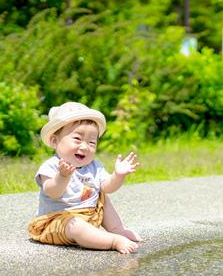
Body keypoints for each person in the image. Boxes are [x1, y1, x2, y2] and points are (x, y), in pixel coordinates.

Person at [28, 102, 141, 254]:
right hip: (58, 222)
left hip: (89, 217)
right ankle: (113, 241)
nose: (85, 146)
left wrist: (118, 175)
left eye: (91, 142)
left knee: (102, 195)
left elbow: (108, 186)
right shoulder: (51, 166)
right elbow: (52, 192)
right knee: (75, 226)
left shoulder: (94, 166)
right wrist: (63, 176)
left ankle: (117, 229)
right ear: (55, 141)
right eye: (77, 139)